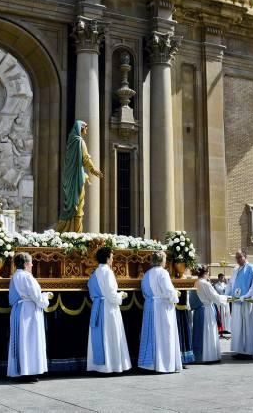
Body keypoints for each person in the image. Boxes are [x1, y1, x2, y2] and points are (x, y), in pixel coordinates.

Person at [87, 246, 131, 374]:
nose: (113, 259)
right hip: (108, 309)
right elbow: (111, 294)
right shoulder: (108, 272)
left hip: (97, 306)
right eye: (112, 257)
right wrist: (121, 295)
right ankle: (112, 366)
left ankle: (99, 367)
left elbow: (92, 290)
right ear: (107, 258)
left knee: (100, 336)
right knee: (110, 335)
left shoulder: (95, 273)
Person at [138, 251, 183, 373]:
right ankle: (165, 365)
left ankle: (151, 364)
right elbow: (168, 290)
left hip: (150, 306)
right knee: (165, 335)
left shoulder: (146, 274)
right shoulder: (163, 273)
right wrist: (175, 295)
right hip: (163, 307)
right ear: (162, 260)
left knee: (152, 334)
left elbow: (144, 292)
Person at [8, 252, 50, 380]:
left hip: (20, 310)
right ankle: (28, 371)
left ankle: (23, 370)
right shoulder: (27, 277)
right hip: (29, 312)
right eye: (31, 262)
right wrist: (46, 297)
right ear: (26, 264)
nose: (32, 265)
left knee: (23, 340)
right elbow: (36, 296)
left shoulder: (15, 276)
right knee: (30, 341)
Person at [56, 120, 103, 233]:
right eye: (85, 128)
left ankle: (62, 232)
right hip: (77, 178)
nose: (86, 130)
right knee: (78, 207)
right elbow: (85, 158)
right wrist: (93, 170)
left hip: (70, 177)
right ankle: (76, 235)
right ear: (81, 129)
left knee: (71, 206)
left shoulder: (71, 142)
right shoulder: (79, 141)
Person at [226, 250, 253, 359]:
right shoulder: (235, 269)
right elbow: (231, 284)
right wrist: (227, 295)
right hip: (236, 301)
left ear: (245, 256)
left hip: (246, 302)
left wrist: (246, 296)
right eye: (236, 257)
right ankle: (239, 350)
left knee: (247, 326)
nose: (238, 259)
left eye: (240, 257)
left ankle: (248, 351)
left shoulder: (252, 269)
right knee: (237, 326)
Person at [192, 266, 228, 363]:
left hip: (199, 310)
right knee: (208, 332)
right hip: (207, 310)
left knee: (200, 333)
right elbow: (214, 297)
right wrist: (227, 298)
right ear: (206, 273)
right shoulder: (205, 283)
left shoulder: (196, 282)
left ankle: (200, 356)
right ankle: (209, 356)